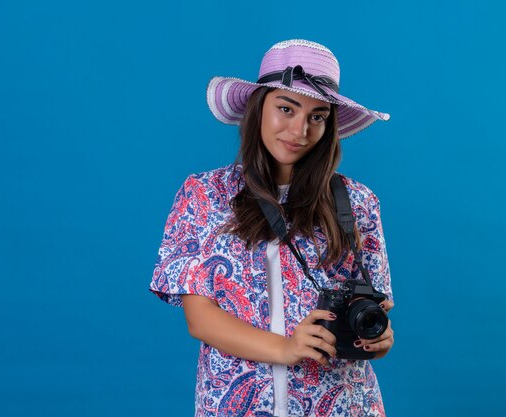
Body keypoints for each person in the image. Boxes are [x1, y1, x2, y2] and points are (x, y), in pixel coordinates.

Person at [150, 39, 394, 417]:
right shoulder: (203, 194)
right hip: (233, 407)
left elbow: (372, 308)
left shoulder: (358, 202)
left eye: (318, 116)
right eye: (286, 108)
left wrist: (379, 339)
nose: (299, 130)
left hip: (343, 406)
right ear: (257, 107)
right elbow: (199, 318)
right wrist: (286, 348)